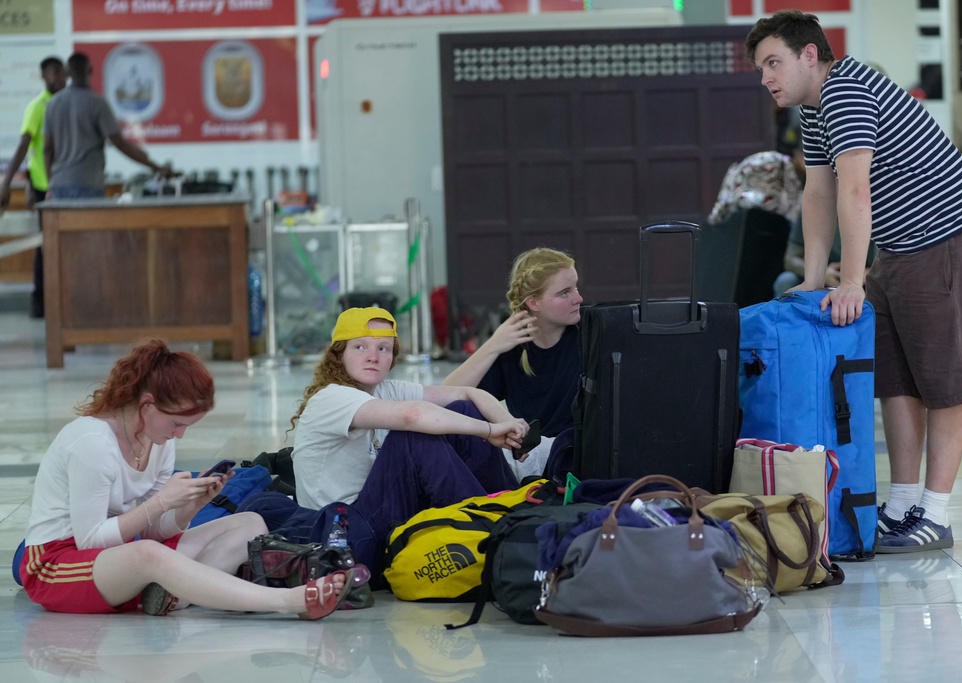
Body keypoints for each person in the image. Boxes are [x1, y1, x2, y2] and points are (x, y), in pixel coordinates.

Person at [747, 11, 962, 553]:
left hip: (944, 236)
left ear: (810, 54)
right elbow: (818, 191)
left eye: (773, 62)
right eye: (760, 68)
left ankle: (936, 513)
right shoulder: (813, 110)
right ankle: (904, 502)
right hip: (899, 247)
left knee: (944, 380)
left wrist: (853, 280)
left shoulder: (847, 89)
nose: (766, 77)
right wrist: (815, 281)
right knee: (897, 379)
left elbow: (854, 191)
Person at [20, 339, 365, 619]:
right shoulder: (92, 444)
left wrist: (189, 507)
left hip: (117, 556)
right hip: (56, 563)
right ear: (147, 405)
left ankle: (173, 596)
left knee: (249, 522)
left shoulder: (156, 440)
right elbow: (90, 543)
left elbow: (156, 529)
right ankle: (288, 601)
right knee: (148, 554)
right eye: (176, 423)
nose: (180, 435)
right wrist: (160, 503)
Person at [289, 307, 527, 568]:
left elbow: (467, 394)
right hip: (347, 532)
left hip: (380, 512)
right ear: (339, 354)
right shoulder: (331, 397)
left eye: (383, 348)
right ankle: (491, 533)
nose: (373, 357)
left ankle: (513, 514)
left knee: (462, 412)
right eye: (360, 347)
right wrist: (490, 431)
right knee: (413, 438)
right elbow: (413, 415)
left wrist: (506, 423)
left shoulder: (386, 389)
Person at [441, 247, 583, 479]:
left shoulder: (590, 333)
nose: (579, 298)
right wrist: (492, 345)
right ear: (533, 303)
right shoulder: (512, 346)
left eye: (576, 288)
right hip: (529, 459)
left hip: (575, 458)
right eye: (565, 292)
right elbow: (445, 396)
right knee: (459, 418)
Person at [43, 52, 174, 200]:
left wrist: (50, 185)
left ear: (67, 73)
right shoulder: (97, 103)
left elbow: (47, 149)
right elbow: (119, 143)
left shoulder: (52, 104)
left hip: (59, 184)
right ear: (90, 71)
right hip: (87, 184)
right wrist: (155, 167)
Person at [0, 57, 66, 318]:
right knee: (45, 246)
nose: (59, 78)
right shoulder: (38, 106)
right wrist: (7, 182)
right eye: (54, 74)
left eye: (62, 73)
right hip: (44, 186)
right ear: (44, 76)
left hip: (61, 183)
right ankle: (40, 302)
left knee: (58, 246)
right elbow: (25, 146)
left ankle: (57, 301)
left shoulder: (64, 103)